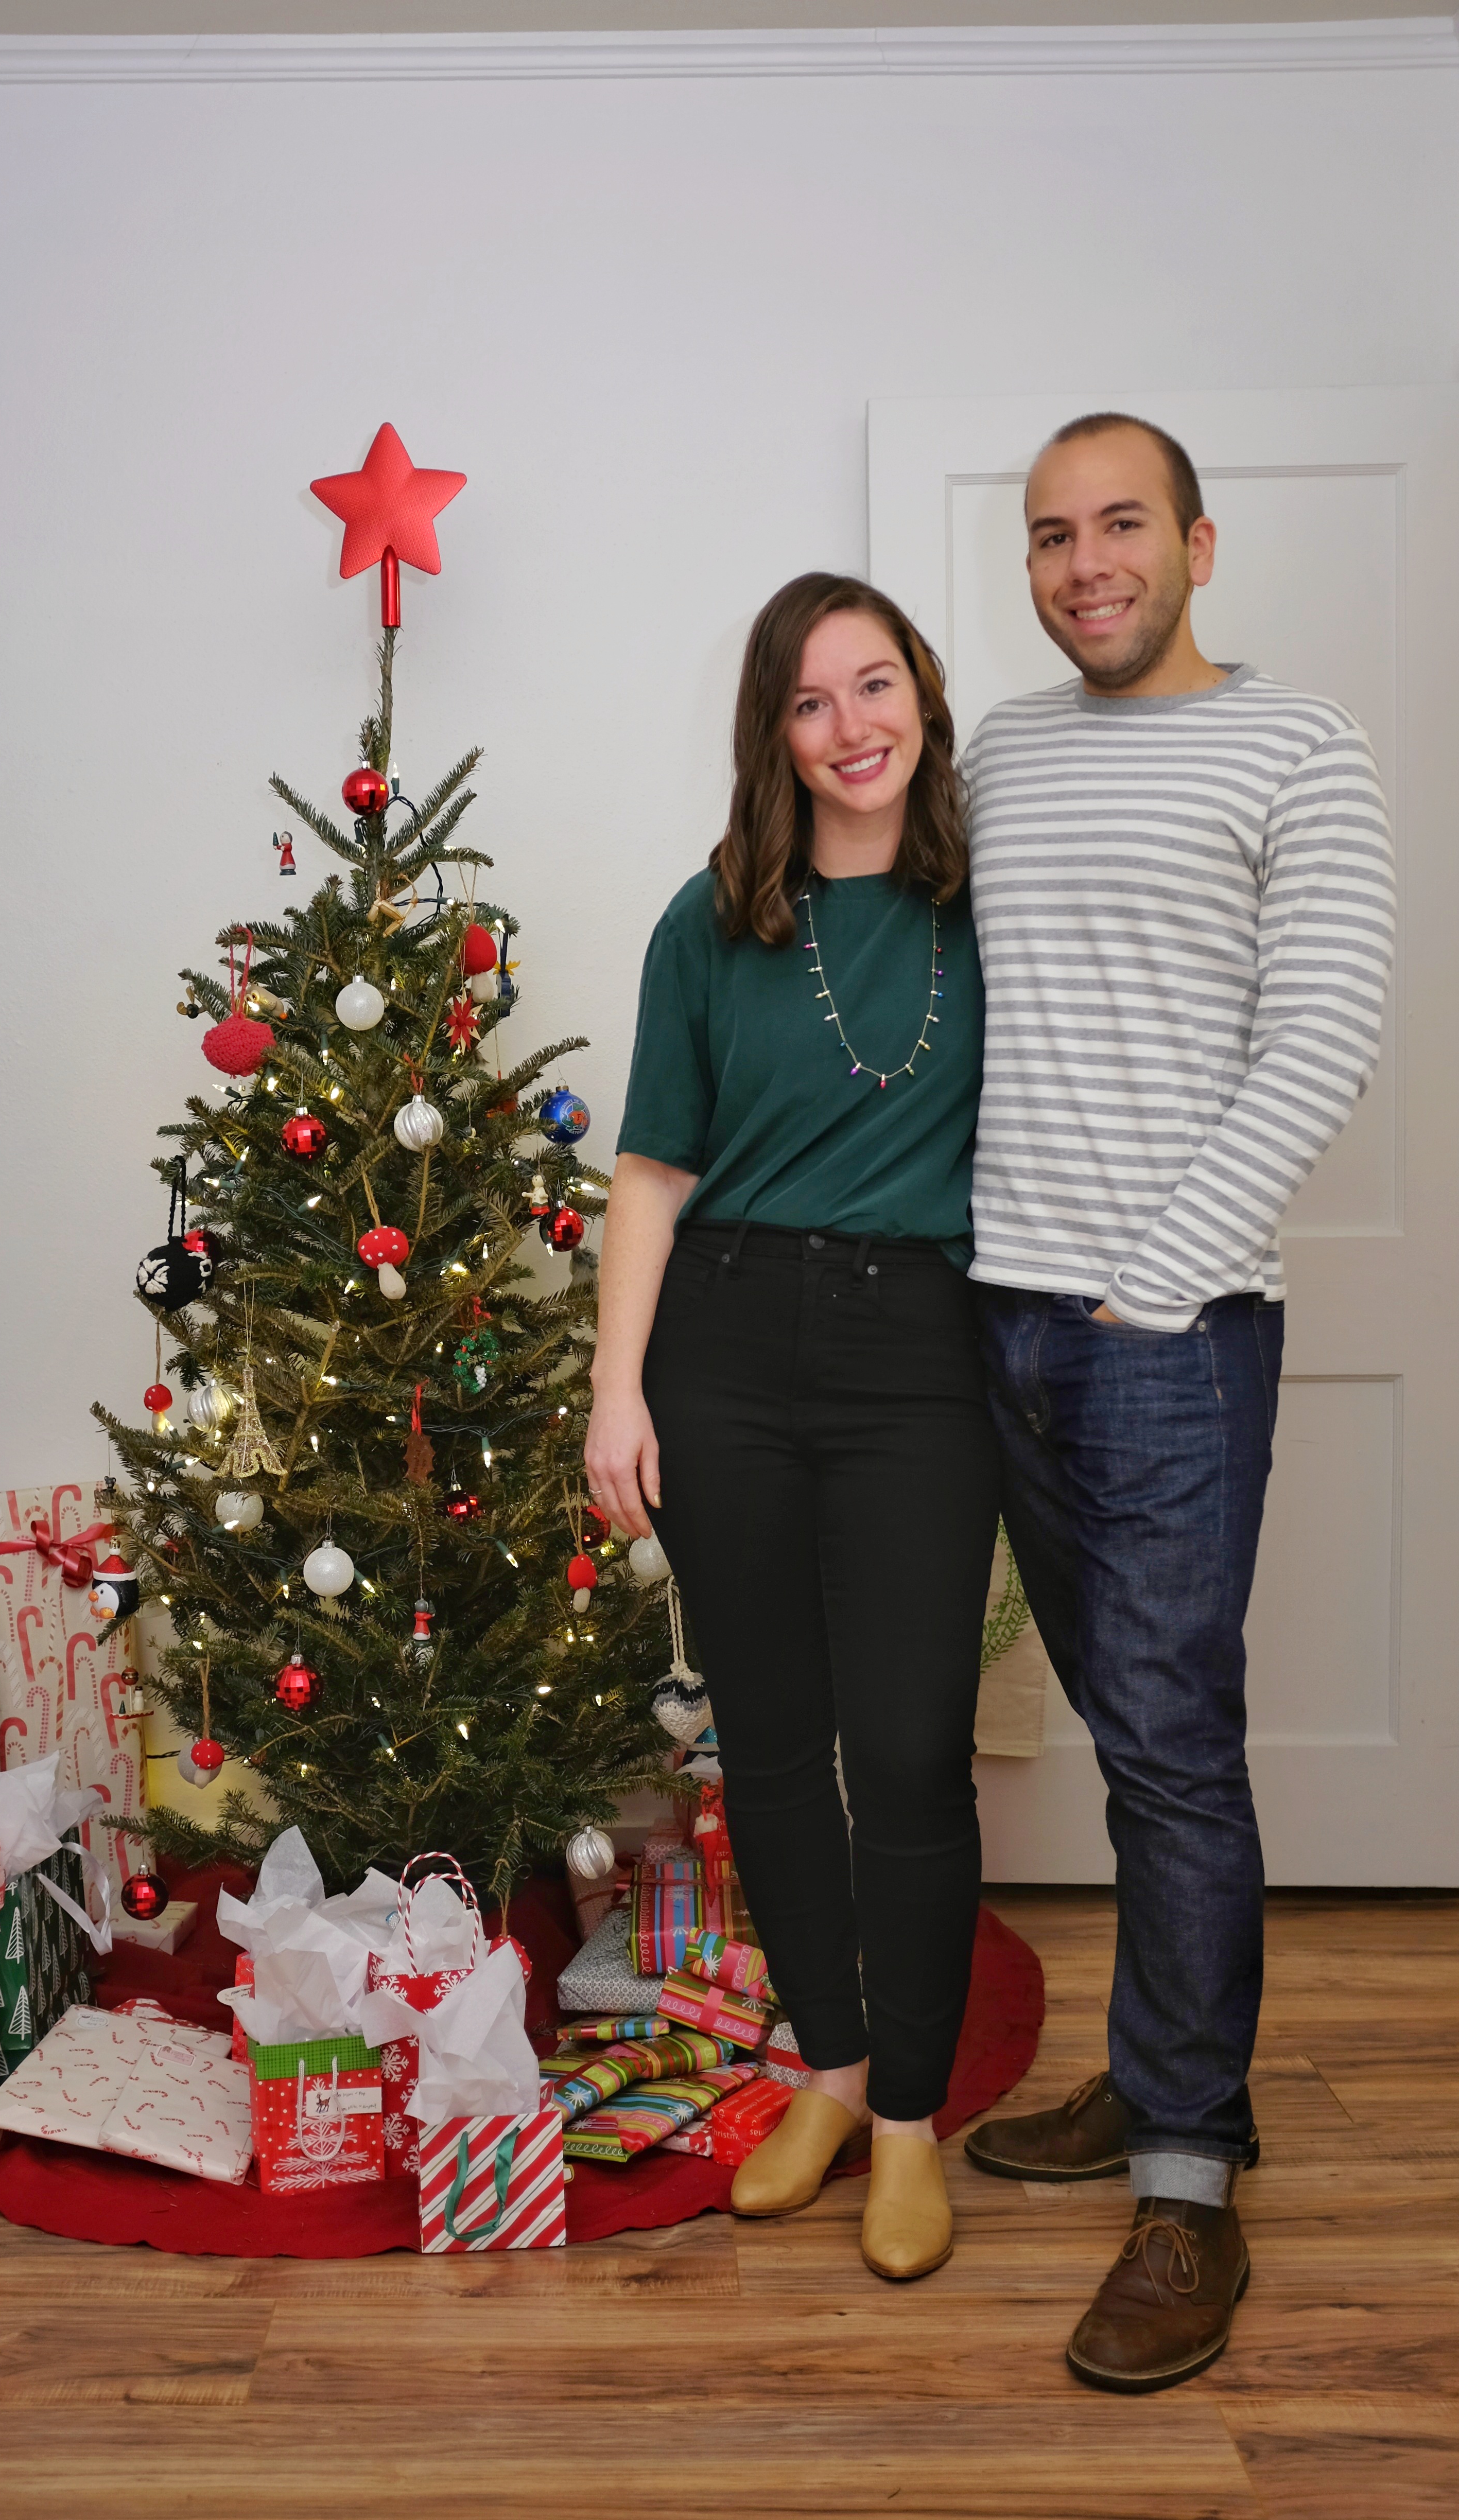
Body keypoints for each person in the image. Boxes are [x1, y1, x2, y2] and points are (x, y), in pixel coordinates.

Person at [961, 413, 1394, 2390]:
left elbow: (1322, 1035)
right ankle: (1146, 2090)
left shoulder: (1301, 749)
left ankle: (1190, 2180)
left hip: (1170, 1341)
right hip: (996, 1327)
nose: (1083, 563)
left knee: (1172, 1750)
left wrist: (1153, 1280)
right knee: (1120, 1728)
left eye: (1120, 524)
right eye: (1052, 535)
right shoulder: (1000, 750)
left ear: (1199, 544)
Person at [585, 571, 999, 2282]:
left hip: (919, 1352)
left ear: (923, 696)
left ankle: (906, 2118)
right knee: (769, 1741)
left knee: (905, 1749)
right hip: (727, 1350)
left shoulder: (994, 901)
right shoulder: (713, 920)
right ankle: (826, 2078)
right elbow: (653, 1172)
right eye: (812, 701)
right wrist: (617, 1386)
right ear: (775, 732)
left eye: (876, 684)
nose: (852, 728)